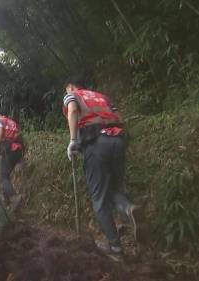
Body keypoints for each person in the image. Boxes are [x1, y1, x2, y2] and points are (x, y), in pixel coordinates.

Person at [62, 75, 143, 258]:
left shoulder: (73, 94)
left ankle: (115, 248)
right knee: (113, 188)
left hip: (97, 143)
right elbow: (120, 118)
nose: (67, 92)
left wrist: (73, 141)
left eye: (67, 89)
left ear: (72, 86)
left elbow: (73, 110)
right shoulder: (102, 97)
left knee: (99, 199)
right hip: (118, 140)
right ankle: (128, 209)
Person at [0, 109, 23, 207]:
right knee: (6, 175)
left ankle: (14, 198)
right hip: (18, 151)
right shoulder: (12, 122)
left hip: (10, 151)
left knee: (3, 177)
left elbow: (0, 131)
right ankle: (6, 202)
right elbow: (19, 135)